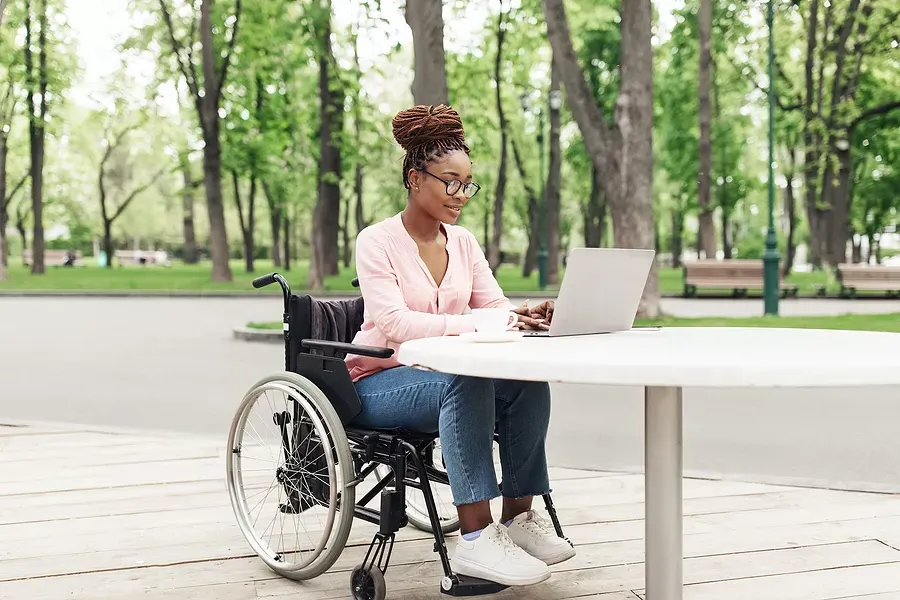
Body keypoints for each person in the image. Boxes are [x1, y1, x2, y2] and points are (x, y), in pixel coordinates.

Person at [345, 104, 575, 587]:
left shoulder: (464, 243)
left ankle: (517, 519)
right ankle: (475, 539)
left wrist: (522, 315)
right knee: (464, 380)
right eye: (450, 181)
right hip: (379, 381)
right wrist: (471, 325)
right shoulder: (377, 241)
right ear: (414, 177)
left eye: (467, 183)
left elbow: (493, 304)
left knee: (524, 381)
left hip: (442, 377)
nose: (461, 194)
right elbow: (394, 322)